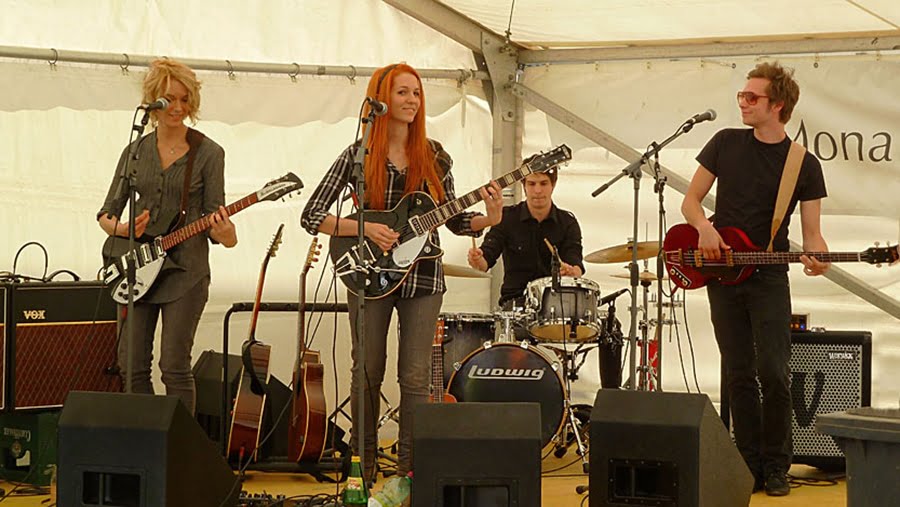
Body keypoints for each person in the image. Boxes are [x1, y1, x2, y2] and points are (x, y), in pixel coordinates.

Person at [300, 63, 503, 479]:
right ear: (381, 99)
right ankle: (363, 466)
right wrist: (363, 228)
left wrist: (490, 218)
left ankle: (412, 472)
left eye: (416, 94)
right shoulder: (357, 155)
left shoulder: (435, 155)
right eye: (402, 93)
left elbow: (453, 221)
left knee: (415, 377)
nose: (412, 101)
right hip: (367, 273)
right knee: (366, 369)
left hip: (424, 277)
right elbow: (312, 214)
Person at [681, 61, 829, 496]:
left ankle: (778, 465)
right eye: (741, 96)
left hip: (768, 276)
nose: (742, 102)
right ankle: (747, 464)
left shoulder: (803, 163)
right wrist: (705, 230)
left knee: (774, 372)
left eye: (752, 97)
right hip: (722, 274)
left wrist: (818, 258)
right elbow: (692, 202)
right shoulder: (725, 142)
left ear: (777, 105)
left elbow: (813, 235)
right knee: (739, 372)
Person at [97, 58, 237, 414]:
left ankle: (176, 455)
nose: (177, 107)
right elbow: (106, 214)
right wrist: (123, 230)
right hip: (137, 268)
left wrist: (225, 233)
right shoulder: (135, 151)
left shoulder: (209, 153)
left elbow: (216, 219)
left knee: (174, 366)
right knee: (132, 367)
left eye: (184, 100)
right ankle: (143, 447)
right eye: (169, 99)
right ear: (153, 101)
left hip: (185, 272)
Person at [466, 169, 585, 308]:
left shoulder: (567, 222)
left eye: (544, 183)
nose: (538, 190)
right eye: (532, 184)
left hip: (557, 304)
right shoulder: (506, 217)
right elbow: (485, 260)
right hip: (515, 303)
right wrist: (477, 259)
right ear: (524, 186)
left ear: (553, 185)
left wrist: (572, 271)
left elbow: (575, 259)